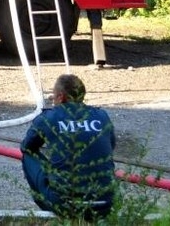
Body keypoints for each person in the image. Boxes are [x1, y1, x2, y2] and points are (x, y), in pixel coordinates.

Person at [21, 74, 117, 219]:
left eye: (53, 97)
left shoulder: (49, 117)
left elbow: (27, 146)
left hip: (66, 205)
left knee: (28, 155)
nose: (53, 101)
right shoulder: (102, 116)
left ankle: (45, 200)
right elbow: (111, 146)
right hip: (105, 204)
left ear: (60, 97)